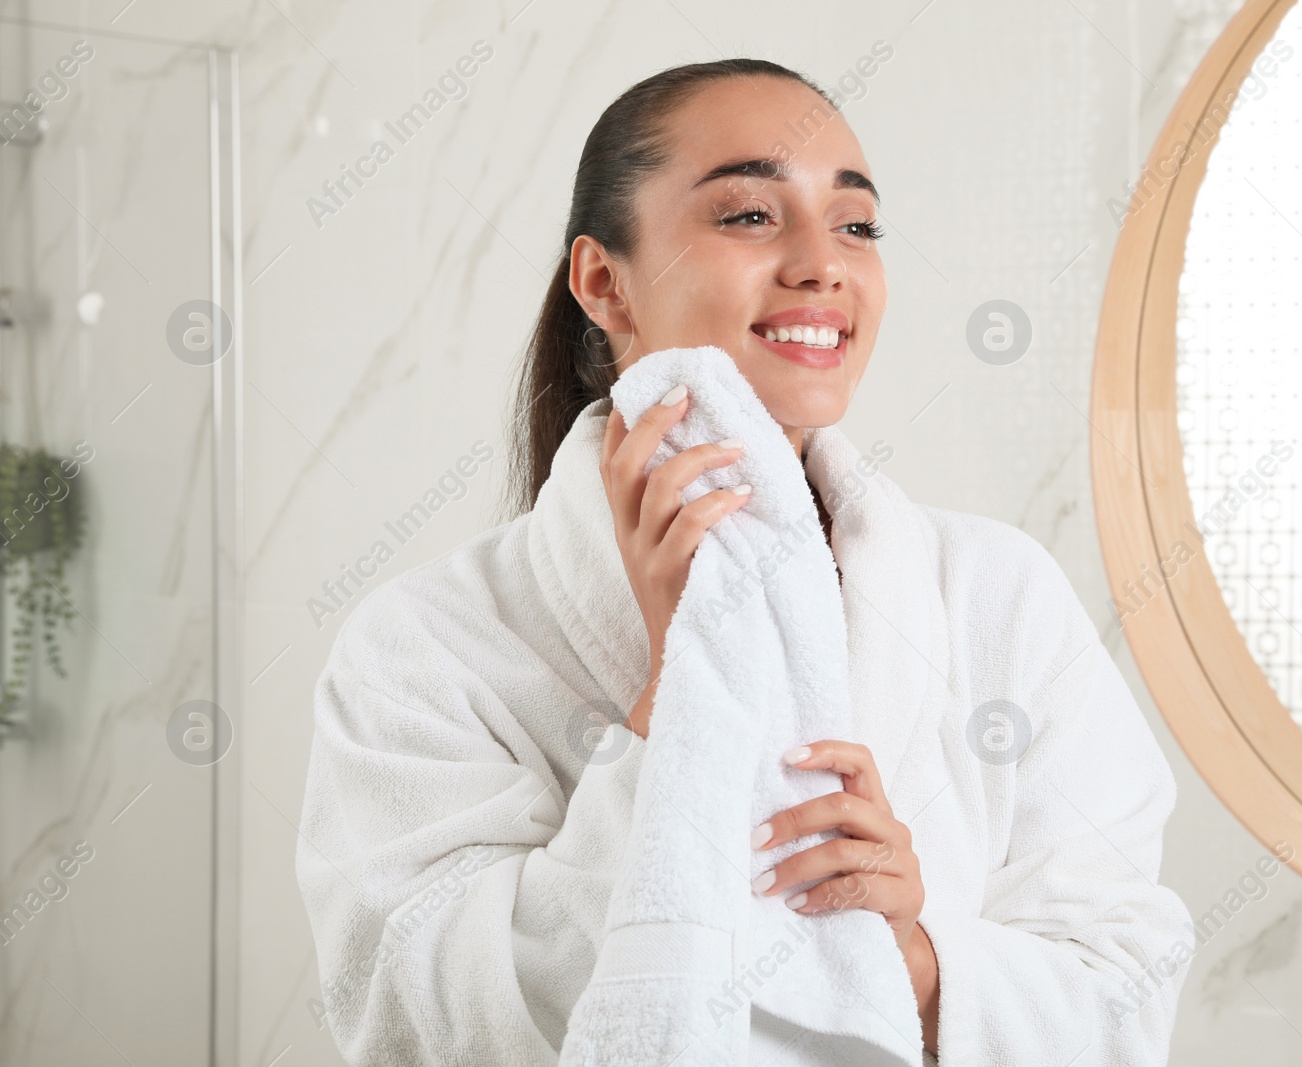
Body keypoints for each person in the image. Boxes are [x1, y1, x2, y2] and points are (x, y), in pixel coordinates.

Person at [297, 57, 1192, 1066]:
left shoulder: (998, 594)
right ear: (603, 281)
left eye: (855, 223)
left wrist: (913, 956)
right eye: (749, 215)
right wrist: (674, 710)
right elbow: (412, 1021)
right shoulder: (428, 644)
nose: (823, 263)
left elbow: (1128, 979)